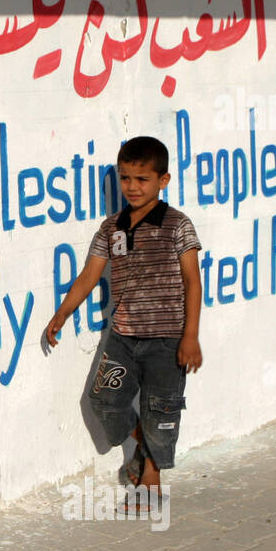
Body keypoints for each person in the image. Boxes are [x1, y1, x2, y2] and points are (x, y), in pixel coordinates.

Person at [44, 136, 203, 509]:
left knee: (161, 409)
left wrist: (190, 336)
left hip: (166, 339)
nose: (132, 187)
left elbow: (193, 281)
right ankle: (141, 447)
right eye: (125, 178)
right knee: (103, 400)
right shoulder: (111, 228)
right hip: (123, 337)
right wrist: (63, 312)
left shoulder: (177, 224)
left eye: (142, 179)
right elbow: (89, 275)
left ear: (163, 180)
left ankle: (151, 479)